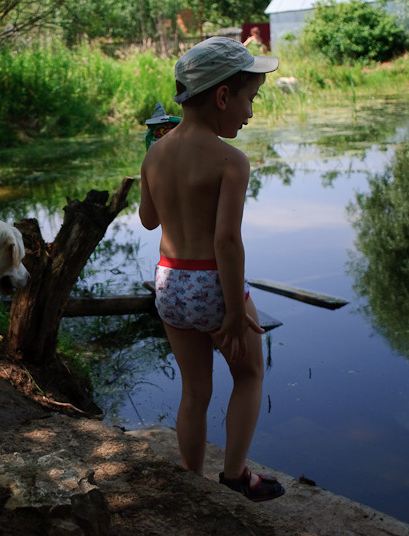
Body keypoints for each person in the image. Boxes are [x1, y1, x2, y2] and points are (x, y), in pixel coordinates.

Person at [138, 37, 285, 502]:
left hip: (169, 283)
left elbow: (148, 220)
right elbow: (226, 241)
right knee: (249, 375)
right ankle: (235, 475)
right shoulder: (231, 160)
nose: (250, 113)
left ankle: (192, 480)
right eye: (249, 99)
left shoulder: (155, 153)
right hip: (213, 285)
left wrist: (153, 161)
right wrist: (235, 311)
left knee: (195, 389)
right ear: (222, 96)